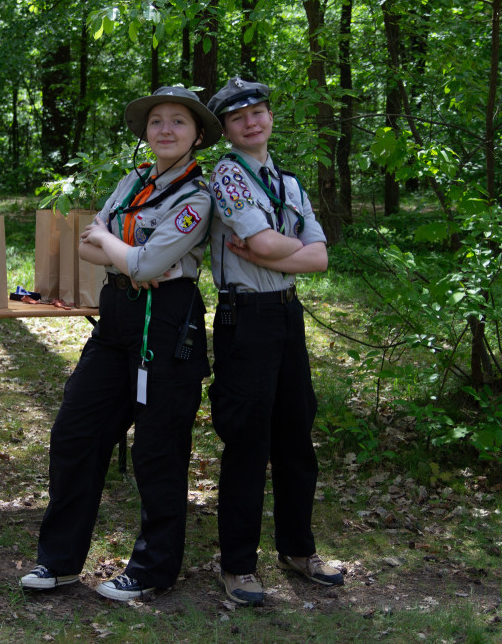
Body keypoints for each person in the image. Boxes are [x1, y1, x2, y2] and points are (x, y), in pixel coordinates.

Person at [20, 86, 221, 601]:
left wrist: (132, 256)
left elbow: (135, 260)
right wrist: (133, 258)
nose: (167, 129)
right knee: (75, 433)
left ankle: (153, 568)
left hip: (168, 324)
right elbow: (88, 247)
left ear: (197, 135)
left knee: (157, 449)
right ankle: (59, 562)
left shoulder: (197, 196)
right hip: (115, 321)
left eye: (179, 121)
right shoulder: (132, 181)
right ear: (146, 133)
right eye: (157, 122)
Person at [204, 76, 343, 606]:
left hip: (288, 316)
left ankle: (297, 550)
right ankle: (238, 564)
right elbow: (274, 242)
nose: (251, 122)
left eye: (257, 111)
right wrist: (274, 250)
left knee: (295, 436)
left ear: (269, 116)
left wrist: (264, 254)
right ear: (227, 129)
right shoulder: (228, 176)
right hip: (246, 319)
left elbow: (320, 259)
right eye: (238, 118)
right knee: (247, 440)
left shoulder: (288, 182)